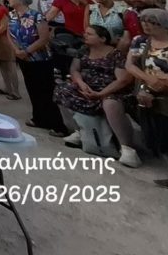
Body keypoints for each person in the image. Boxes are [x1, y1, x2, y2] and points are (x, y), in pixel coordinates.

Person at [54, 25, 138, 165]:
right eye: (85, 33)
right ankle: (79, 131)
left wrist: (101, 93)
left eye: (90, 34)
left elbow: (123, 80)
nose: (85, 35)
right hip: (87, 88)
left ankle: (127, 148)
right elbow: (74, 70)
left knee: (110, 102)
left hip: (110, 90)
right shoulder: (83, 51)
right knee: (62, 90)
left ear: (102, 38)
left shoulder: (115, 54)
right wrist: (81, 84)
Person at [7, 0, 67, 135]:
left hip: (39, 58)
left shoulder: (37, 16)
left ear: (20, 0)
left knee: (45, 90)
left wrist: (27, 51)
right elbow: (9, 34)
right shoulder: (12, 15)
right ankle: (39, 118)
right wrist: (16, 50)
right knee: (32, 88)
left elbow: (43, 38)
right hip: (22, 57)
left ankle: (58, 125)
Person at [125, 9, 168, 186]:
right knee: (158, 135)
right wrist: (149, 81)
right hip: (147, 92)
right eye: (143, 21)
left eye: (151, 22)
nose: (145, 25)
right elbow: (130, 64)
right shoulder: (140, 41)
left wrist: (162, 83)